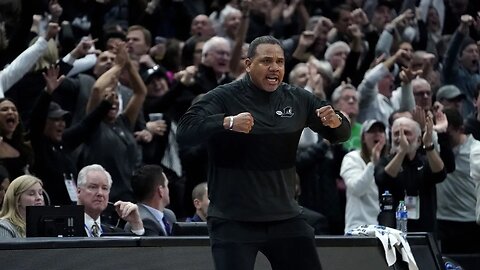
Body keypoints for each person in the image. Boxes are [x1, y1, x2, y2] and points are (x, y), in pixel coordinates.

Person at [177, 35, 351, 270]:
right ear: (248, 65)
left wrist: (335, 123)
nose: (274, 68)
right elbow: (185, 130)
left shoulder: (297, 98)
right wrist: (226, 122)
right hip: (233, 219)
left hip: (285, 216)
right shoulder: (224, 96)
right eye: (266, 61)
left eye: (280, 62)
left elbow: (342, 135)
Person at [375, 116, 446, 233]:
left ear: (419, 140)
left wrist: (428, 145)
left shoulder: (425, 161)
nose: (401, 138)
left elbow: (440, 174)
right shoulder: (385, 161)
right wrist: (402, 152)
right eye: (396, 134)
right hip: (392, 232)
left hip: (424, 232)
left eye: (406, 133)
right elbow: (383, 179)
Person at [341, 119, 387, 233]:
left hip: (385, 229)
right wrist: (372, 165)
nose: (377, 134)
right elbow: (357, 188)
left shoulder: (389, 162)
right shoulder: (352, 158)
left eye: (381, 131)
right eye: (372, 131)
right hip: (358, 229)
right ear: (363, 138)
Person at [76, 164, 144, 237]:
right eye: (93, 187)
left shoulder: (115, 233)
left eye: (105, 188)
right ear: (78, 191)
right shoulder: (65, 230)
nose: (100, 193)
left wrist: (136, 224)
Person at [128, 164, 177, 236]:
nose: (168, 190)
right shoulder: (142, 220)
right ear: (161, 191)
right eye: (166, 185)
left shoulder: (169, 215)